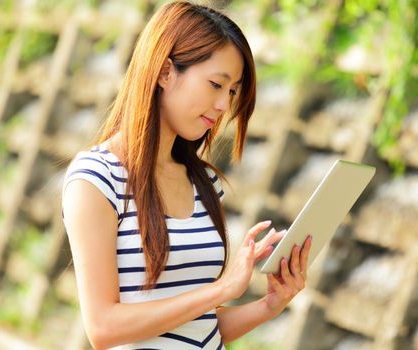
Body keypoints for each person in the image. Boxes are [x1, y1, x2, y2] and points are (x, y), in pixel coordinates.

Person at [61, 1, 313, 349]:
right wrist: (220, 290)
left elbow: (198, 326)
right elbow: (103, 327)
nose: (225, 105)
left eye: (232, 91)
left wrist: (268, 306)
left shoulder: (203, 184)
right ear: (165, 73)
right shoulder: (97, 179)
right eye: (215, 84)